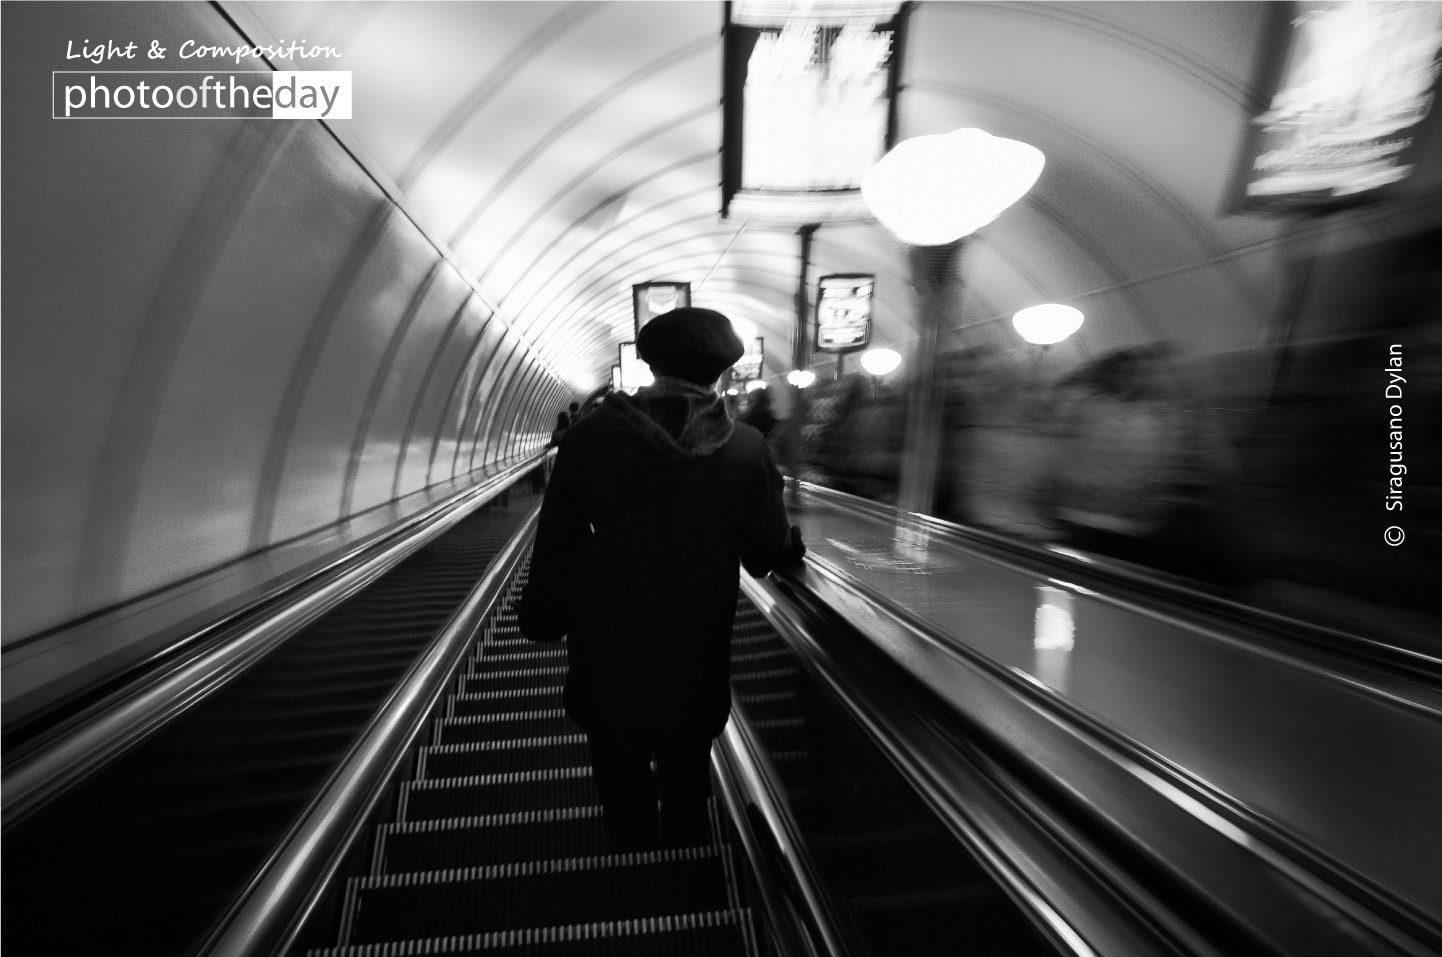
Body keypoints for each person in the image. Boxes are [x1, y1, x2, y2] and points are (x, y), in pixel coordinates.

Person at [518, 306, 803, 850]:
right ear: (721, 372)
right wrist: (789, 544)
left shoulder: (588, 439)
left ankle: (631, 836)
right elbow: (764, 553)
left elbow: (558, 542)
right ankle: (687, 838)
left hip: (607, 624)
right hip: (696, 627)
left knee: (613, 736)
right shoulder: (745, 448)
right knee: (688, 743)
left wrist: (544, 611)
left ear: (648, 363)